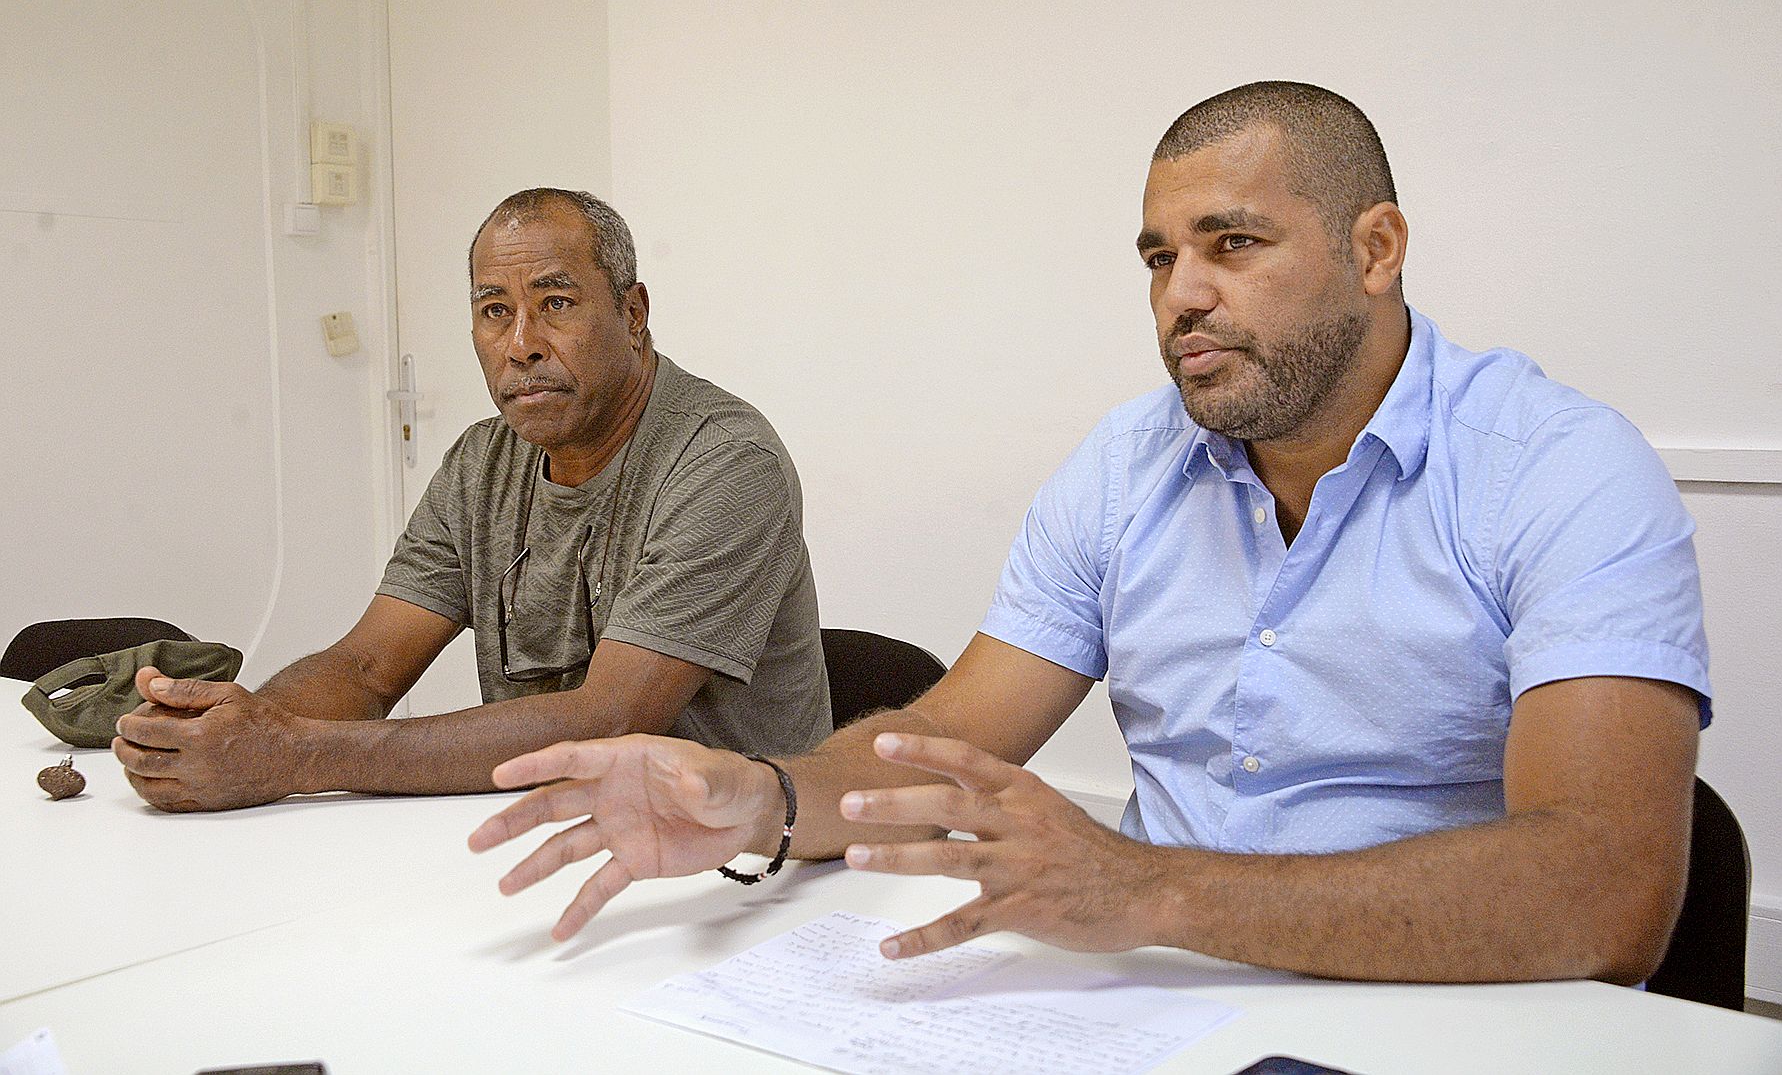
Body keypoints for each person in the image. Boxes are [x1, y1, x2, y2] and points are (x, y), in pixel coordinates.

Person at [468, 85, 1710, 984]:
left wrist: (1149, 888)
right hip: (1159, 999)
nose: (1183, 296)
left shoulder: (1558, 469)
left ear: (1374, 249)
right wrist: (763, 801)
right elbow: (948, 744)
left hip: (1452, 1012)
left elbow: (1606, 894)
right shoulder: (1126, 467)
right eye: (1159, 258)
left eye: (1233, 244)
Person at [114, 188, 831, 812]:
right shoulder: (480, 462)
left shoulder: (726, 462)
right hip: (537, 830)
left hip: (731, 861)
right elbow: (368, 667)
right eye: (495, 310)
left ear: (633, 312)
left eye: (556, 304)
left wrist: (294, 755)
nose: (521, 344)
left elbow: (610, 721)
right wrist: (226, 732)